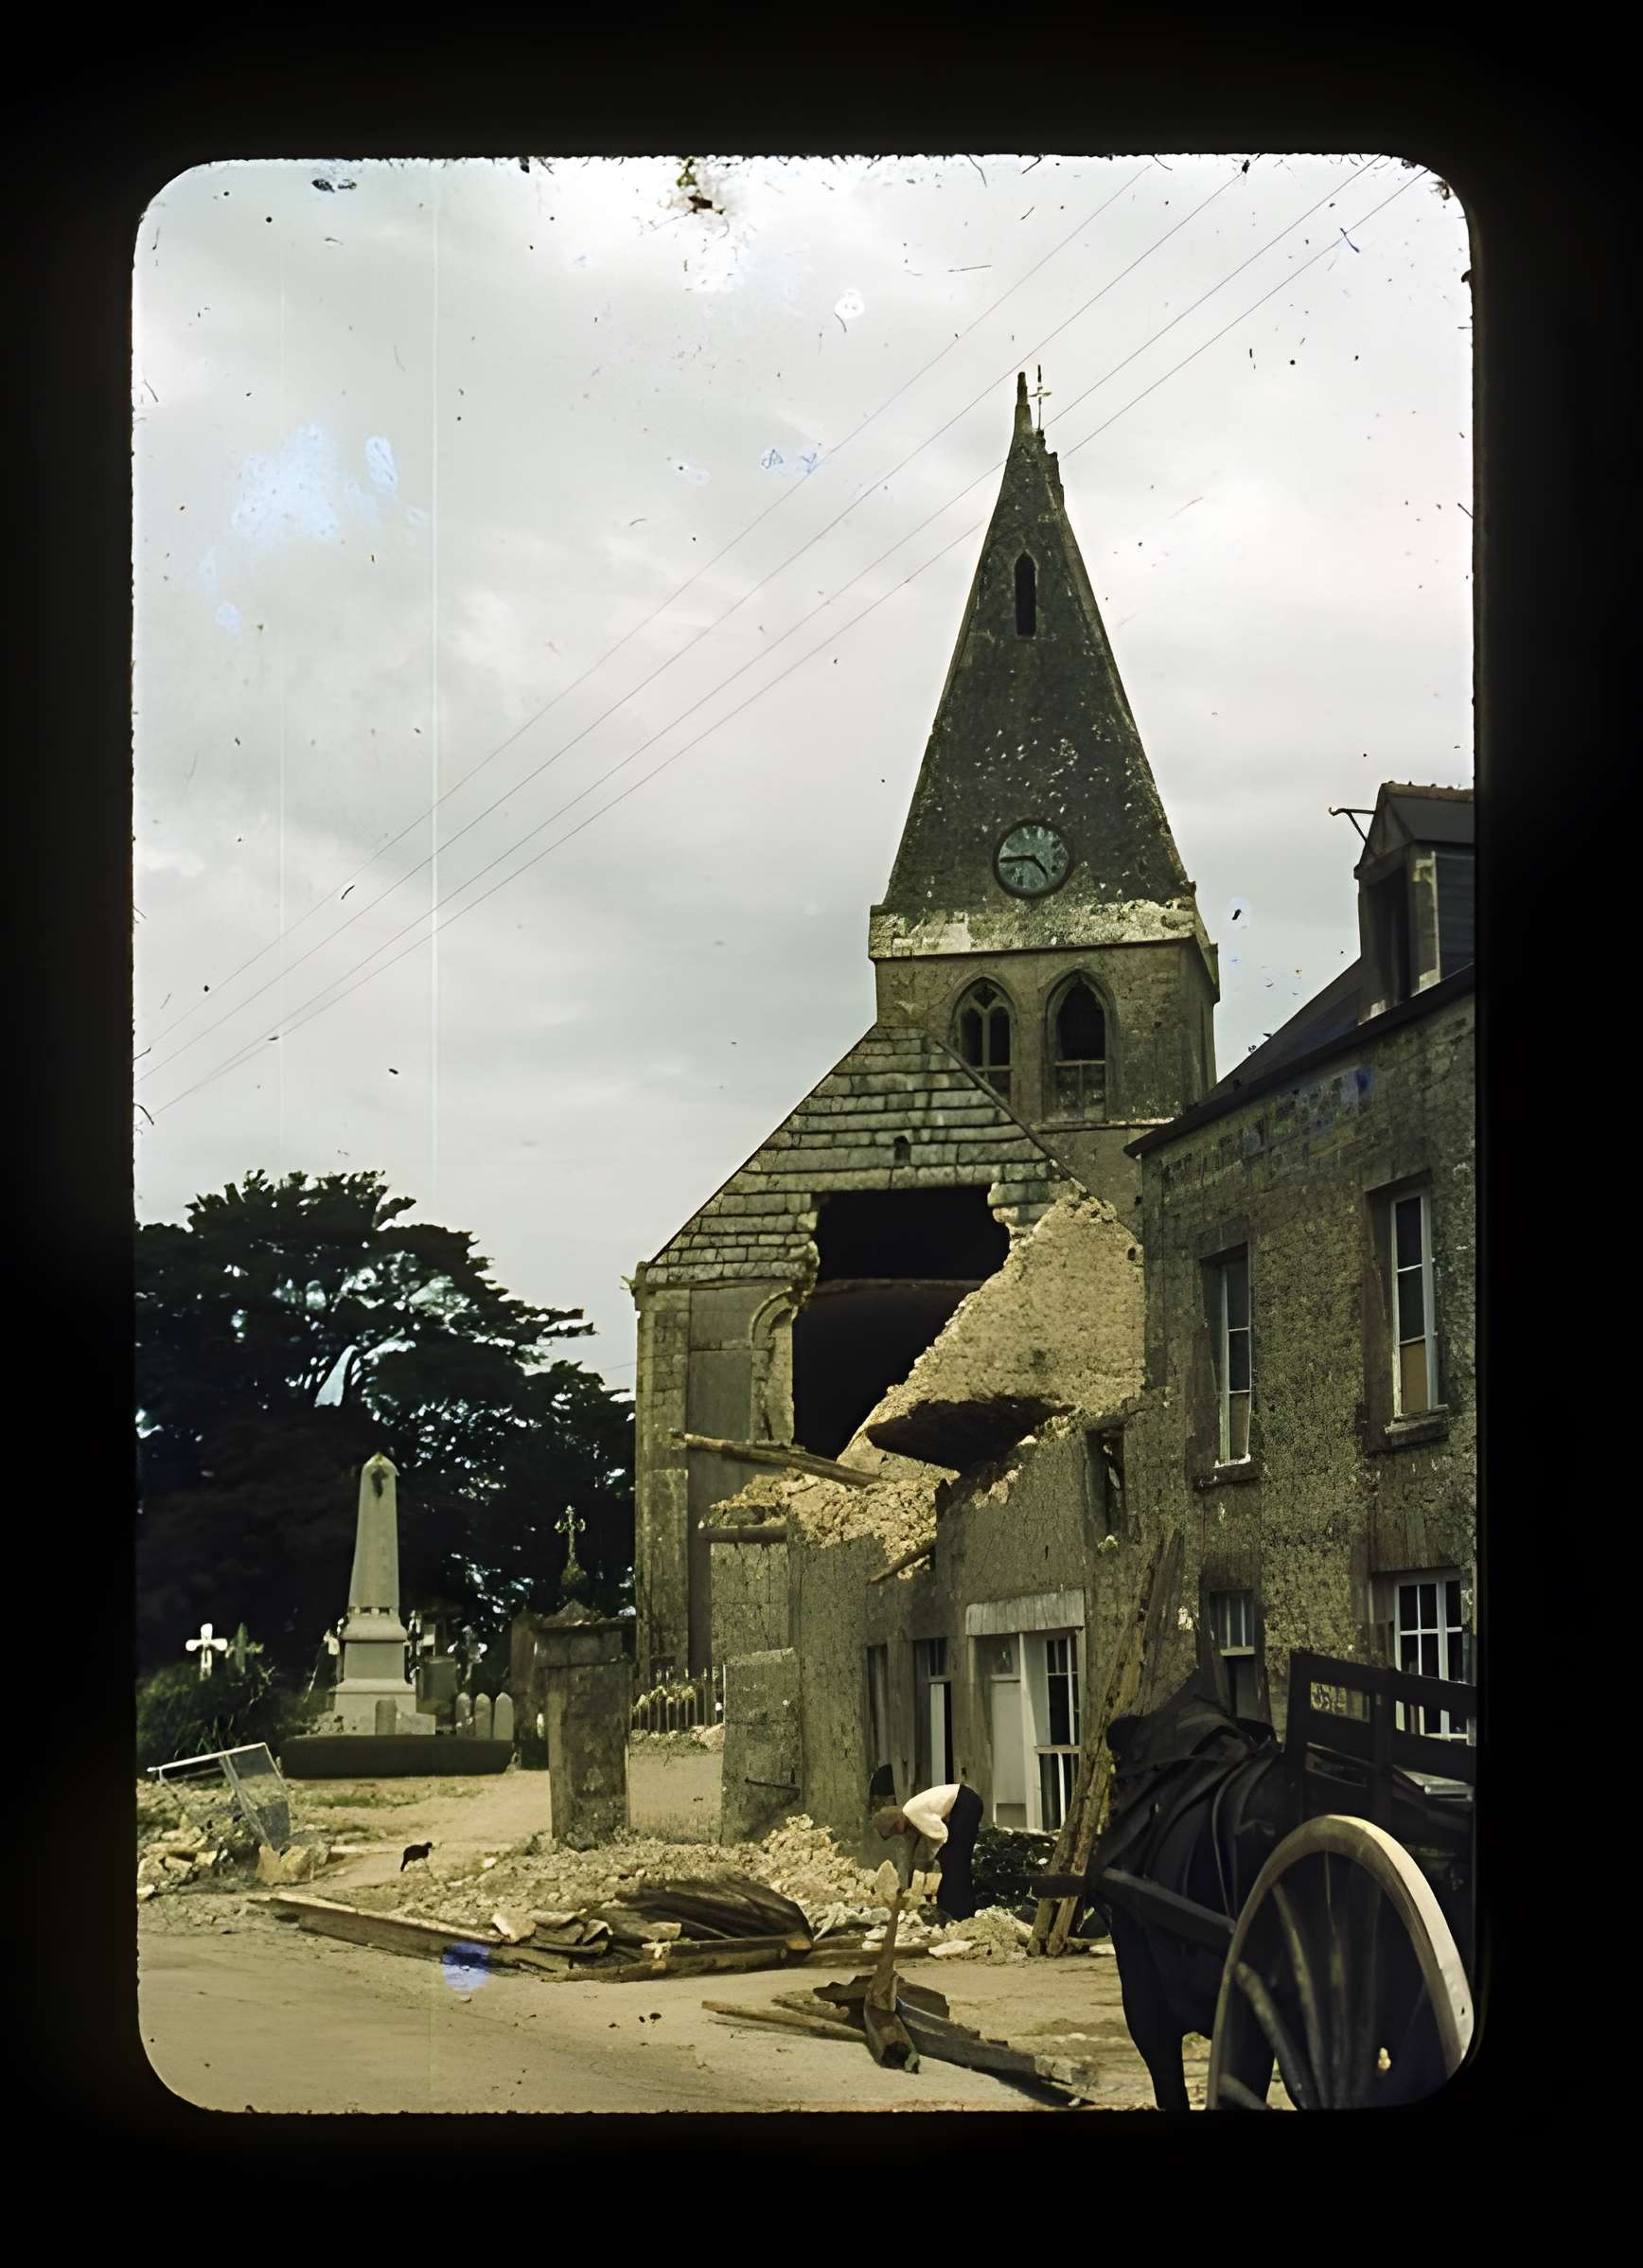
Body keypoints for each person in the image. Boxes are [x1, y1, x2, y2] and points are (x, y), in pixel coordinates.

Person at [874, 1781, 982, 1922]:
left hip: (965, 1802)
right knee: (955, 1861)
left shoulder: (913, 1813)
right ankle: (955, 1908)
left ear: (897, 1822)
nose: (898, 1834)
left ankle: (959, 1912)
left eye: (895, 1831)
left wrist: (936, 1857)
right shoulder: (910, 1814)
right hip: (963, 1801)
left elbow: (940, 1833)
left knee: (955, 1861)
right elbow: (915, 1848)